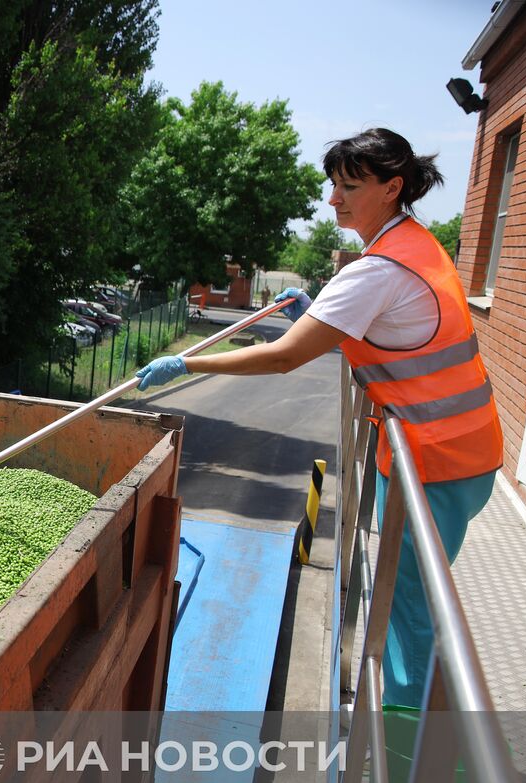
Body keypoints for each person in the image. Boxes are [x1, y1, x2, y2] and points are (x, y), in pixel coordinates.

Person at [136, 128, 503, 710]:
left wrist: (187, 362)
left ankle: (413, 762)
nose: (334, 199)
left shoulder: (379, 270)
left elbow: (284, 356)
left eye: (350, 186)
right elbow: (390, 330)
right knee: (411, 602)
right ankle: (415, 738)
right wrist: (325, 316)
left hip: (436, 462)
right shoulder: (412, 244)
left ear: (392, 187)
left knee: (412, 611)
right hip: (458, 452)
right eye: (334, 185)